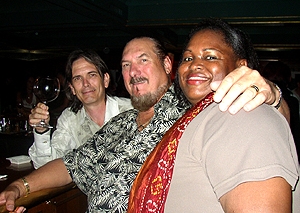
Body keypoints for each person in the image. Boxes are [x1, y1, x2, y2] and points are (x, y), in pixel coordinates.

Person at [0, 36, 287, 213]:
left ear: (166, 65)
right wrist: (19, 187)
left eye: (142, 60)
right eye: (125, 65)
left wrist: (272, 96)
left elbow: (263, 121)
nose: (133, 71)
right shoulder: (119, 125)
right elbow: (71, 164)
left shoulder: (191, 109)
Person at [128, 18, 299, 212]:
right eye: (187, 58)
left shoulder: (242, 113)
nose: (195, 65)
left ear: (241, 66)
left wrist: (274, 94)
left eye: (210, 57)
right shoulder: (195, 117)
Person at [28, 49, 133, 168]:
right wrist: (41, 132)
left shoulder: (132, 111)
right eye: (78, 78)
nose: (85, 83)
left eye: (91, 75)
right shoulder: (70, 118)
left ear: (105, 80)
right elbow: (46, 166)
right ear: (72, 88)